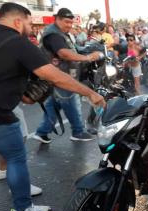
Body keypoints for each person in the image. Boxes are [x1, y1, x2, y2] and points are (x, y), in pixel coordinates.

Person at [0, 2, 105, 211]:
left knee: (17, 138)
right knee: (17, 158)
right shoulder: (18, 42)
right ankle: (23, 210)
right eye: (28, 22)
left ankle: (10, 177)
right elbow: (55, 76)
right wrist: (90, 93)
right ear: (17, 21)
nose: (31, 28)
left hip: (2, 107)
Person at [33, 8, 102, 144]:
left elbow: (74, 49)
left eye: (71, 22)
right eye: (66, 22)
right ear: (57, 19)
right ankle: (78, 131)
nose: (69, 25)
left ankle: (42, 132)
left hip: (57, 77)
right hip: (61, 77)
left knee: (54, 105)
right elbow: (64, 53)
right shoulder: (53, 35)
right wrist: (87, 57)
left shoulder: (62, 34)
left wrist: (90, 48)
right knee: (72, 100)